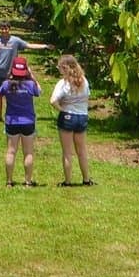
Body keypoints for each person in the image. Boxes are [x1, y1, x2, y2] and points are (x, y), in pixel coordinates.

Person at [50, 54, 93, 187]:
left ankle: (68, 181)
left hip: (68, 117)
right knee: (82, 150)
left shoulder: (63, 83)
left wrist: (62, 109)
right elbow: (87, 98)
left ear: (65, 68)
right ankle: (86, 179)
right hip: (82, 116)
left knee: (67, 152)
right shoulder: (84, 81)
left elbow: (53, 100)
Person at [0, 57, 41, 187]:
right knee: (28, 152)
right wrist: (32, 76)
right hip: (28, 121)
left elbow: (0, 93)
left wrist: (8, 77)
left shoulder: (6, 84)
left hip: (11, 122)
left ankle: (9, 181)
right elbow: (39, 91)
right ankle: (28, 181)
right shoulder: (30, 85)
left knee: (11, 151)